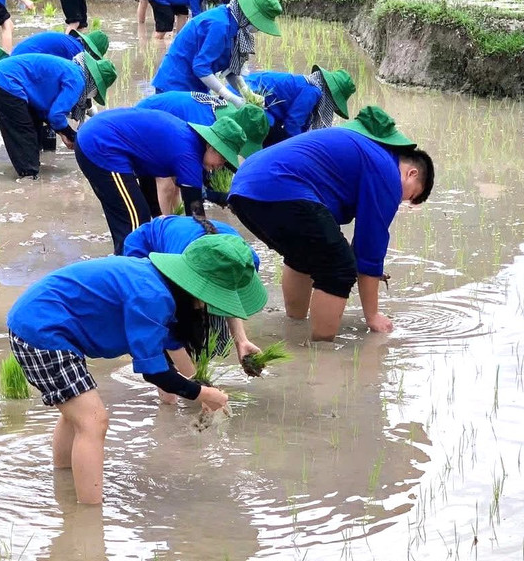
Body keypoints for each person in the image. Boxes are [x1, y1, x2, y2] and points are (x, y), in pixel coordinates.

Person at [5, 234, 265, 504]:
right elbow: (154, 373)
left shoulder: (163, 284)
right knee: (94, 421)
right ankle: (87, 521)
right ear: (200, 289)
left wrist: (178, 392)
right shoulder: (153, 296)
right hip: (42, 330)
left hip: (42, 322)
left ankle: (64, 481)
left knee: (76, 415)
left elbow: (159, 357)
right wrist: (204, 394)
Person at [228, 107, 433, 342]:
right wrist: (373, 315)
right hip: (280, 187)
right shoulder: (386, 169)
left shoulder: (362, 149)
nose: (398, 200)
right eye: (407, 195)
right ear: (411, 173)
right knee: (340, 267)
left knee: (306, 255)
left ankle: (294, 326)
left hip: (245, 188)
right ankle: (322, 353)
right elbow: (370, 247)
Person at [74, 109, 247, 254]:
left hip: (99, 139)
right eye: (223, 159)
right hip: (100, 144)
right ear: (211, 146)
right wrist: (208, 247)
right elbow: (196, 216)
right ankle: (131, 275)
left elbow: (147, 179)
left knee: (137, 219)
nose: (220, 166)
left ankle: (127, 264)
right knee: (136, 225)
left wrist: (158, 216)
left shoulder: (189, 141)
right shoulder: (188, 155)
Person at [122, 215, 265, 375]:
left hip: (189, 241)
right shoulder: (178, 269)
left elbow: (231, 296)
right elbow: (170, 338)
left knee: (204, 332)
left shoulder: (245, 263)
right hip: (147, 247)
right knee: (163, 331)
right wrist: (200, 387)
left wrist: (241, 341)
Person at [0, 51, 117, 179]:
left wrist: (63, 133)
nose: (93, 96)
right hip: (5, 80)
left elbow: (45, 111)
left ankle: (31, 169)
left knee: (33, 122)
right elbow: (56, 115)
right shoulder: (78, 80)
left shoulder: (73, 70)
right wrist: (71, 134)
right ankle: (28, 179)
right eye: (96, 92)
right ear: (94, 84)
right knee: (23, 129)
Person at [152, 0, 283, 103]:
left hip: (196, 86)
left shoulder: (236, 27)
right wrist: (230, 97)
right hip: (176, 85)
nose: (258, 29)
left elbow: (231, 69)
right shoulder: (220, 25)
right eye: (259, 24)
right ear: (249, 16)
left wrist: (247, 93)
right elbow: (201, 67)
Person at [242, 65, 356, 145]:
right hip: (247, 95)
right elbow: (292, 124)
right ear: (331, 94)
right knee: (276, 142)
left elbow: (300, 124)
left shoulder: (312, 88)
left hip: (257, 100)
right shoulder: (313, 91)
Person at [135, 94, 270, 155]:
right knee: (165, 178)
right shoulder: (205, 125)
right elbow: (187, 158)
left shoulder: (223, 114)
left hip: (163, 120)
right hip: (144, 121)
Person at [11, 27, 108, 60]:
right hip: (21, 62)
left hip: (15, 55)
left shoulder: (72, 42)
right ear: (92, 52)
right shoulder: (78, 53)